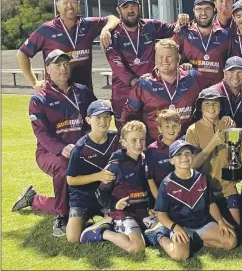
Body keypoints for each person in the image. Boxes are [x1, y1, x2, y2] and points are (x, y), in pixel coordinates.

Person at [12, 49, 95, 237]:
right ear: (47, 69)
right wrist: (61, 148)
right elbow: (41, 134)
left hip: (80, 149)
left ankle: (34, 199)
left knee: (83, 194)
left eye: (66, 64)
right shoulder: (39, 99)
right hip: (50, 153)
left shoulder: (82, 91)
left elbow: (95, 116)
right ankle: (61, 215)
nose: (63, 68)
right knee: (65, 167)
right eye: (57, 65)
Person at [105, 0, 188, 129]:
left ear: (139, 8)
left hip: (150, 92)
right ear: (118, 10)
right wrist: (136, 83)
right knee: (127, 133)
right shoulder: (112, 34)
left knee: (152, 129)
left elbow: (174, 28)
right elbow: (116, 64)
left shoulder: (150, 26)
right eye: (125, 7)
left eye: (133, 6)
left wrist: (181, 20)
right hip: (124, 93)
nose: (130, 10)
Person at [17, 0, 119, 92]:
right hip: (56, 95)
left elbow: (113, 18)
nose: (69, 6)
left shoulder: (88, 25)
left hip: (85, 94)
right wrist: (34, 82)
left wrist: (106, 29)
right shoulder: (46, 30)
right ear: (58, 5)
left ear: (78, 4)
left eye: (73, 2)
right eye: (65, 2)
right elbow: (22, 54)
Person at [154, 140, 237, 260]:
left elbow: (211, 203)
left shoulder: (200, 178)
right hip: (181, 227)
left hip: (202, 224)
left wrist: (220, 221)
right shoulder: (167, 184)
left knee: (231, 242)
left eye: (187, 153)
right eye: (178, 154)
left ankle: (196, 240)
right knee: (180, 255)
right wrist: (175, 228)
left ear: (192, 156)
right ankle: (160, 236)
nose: (184, 157)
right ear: (171, 160)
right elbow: (160, 213)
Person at [120, 39, 209, 143]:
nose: (164, 61)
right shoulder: (144, 84)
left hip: (187, 145)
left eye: (169, 57)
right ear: (155, 59)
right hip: (154, 146)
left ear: (178, 58)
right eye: (160, 57)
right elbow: (128, 115)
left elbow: (208, 105)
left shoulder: (193, 78)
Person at [80, 121, 149, 254]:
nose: (139, 144)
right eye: (133, 140)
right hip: (123, 213)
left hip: (143, 212)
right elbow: (100, 193)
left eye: (142, 139)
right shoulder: (116, 166)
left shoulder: (145, 160)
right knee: (137, 247)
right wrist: (115, 204)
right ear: (123, 142)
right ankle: (102, 231)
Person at [186, 87, 242, 225]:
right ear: (200, 107)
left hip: (227, 188)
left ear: (221, 106)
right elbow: (192, 165)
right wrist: (212, 143)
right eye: (207, 103)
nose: (211, 107)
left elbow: (237, 157)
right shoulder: (192, 130)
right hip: (204, 191)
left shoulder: (228, 125)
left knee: (236, 230)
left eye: (215, 103)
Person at [65, 101, 119, 243]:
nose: (103, 121)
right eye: (98, 117)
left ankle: (96, 227)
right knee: (72, 238)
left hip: (106, 195)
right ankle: (98, 222)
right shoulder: (80, 148)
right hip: (82, 196)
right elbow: (71, 179)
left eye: (107, 117)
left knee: (126, 219)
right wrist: (99, 176)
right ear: (89, 120)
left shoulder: (116, 139)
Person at [173, 0, 231, 86]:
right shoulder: (183, 33)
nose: (203, 13)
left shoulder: (225, 35)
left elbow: (232, 64)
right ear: (193, 11)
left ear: (214, 10)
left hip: (216, 93)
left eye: (207, 9)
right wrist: (181, 67)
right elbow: (170, 59)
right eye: (199, 9)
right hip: (190, 91)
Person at [209, 56, 242, 128]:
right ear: (224, 73)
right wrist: (218, 121)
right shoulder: (212, 94)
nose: (235, 76)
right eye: (231, 72)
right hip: (216, 137)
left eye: (239, 72)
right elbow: (203, 124)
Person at [146, 110, 182, 202]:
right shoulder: (152, 150)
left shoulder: (184, 146)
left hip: (182, 196)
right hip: (161, 197)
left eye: (174, 126)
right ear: (160, 129)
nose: (171, 129)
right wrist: (160, 201)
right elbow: (150, 179)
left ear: (179, 127)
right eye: (167, 126)